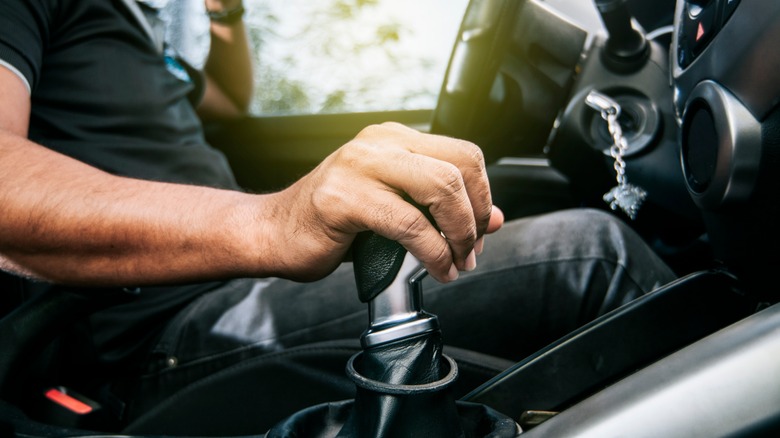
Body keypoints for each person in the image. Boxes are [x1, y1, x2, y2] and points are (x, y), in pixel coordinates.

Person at [0, 0, 677, 431]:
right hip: (155, 332)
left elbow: (230, 101)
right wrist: (270, 224)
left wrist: (225, 13)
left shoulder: (144, 28)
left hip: (230, 288)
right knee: (592, 255)